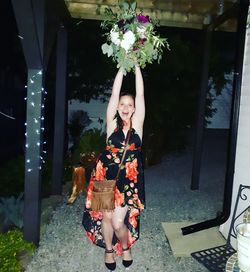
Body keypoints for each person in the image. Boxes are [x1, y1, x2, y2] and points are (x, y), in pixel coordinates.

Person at [82, 64, 145, 271]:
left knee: (118, 222)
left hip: (127, 181)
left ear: (134, 108)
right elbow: (115, 92)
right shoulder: (111, 126)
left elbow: (140, 92)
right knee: (106, 217)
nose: (125, 107)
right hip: (104, 176)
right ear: (117, 107)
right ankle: (108, 250)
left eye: (129, 104)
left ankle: (125, 246)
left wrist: (135, 67)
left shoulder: (138, 127)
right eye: (122, 104)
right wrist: (122, 64)